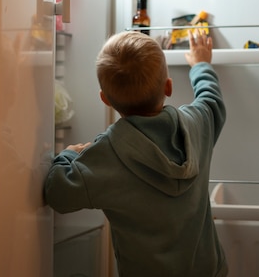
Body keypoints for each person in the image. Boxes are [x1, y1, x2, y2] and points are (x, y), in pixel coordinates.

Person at [44, 30, 228, 277]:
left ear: (105, 99)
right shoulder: (198, 124)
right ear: (168, 86)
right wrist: (201, 64)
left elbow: (57, 193)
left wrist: (69, 155)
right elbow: (211, 98)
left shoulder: (105, 157)